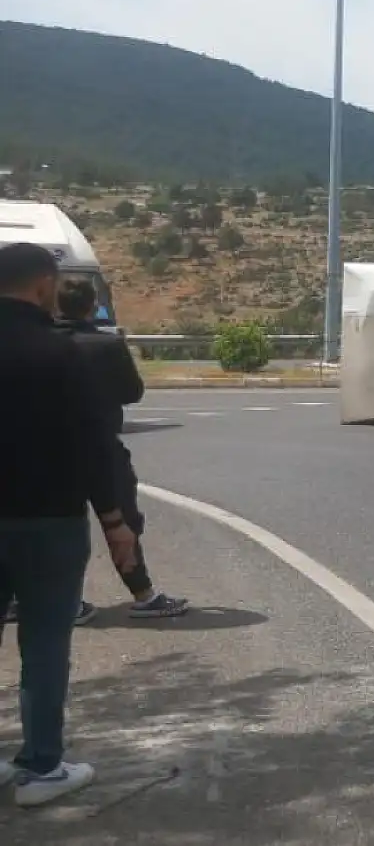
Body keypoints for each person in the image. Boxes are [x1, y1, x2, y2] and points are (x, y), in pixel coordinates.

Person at [0, 242, 139, 807]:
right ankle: (40, 767)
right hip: (49, 521)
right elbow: (93, 449)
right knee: (46, 643)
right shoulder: (64, 356)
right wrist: (116, 524)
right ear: (43, 286)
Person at [55, 277, 190, 619]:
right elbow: (132, 392)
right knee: (122, 522)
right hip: (101, 448)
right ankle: (143, 595)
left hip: (49, 452)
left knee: (59, 529)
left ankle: (61, 601)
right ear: (92, 305)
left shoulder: (42, 343)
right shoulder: (107, 346)